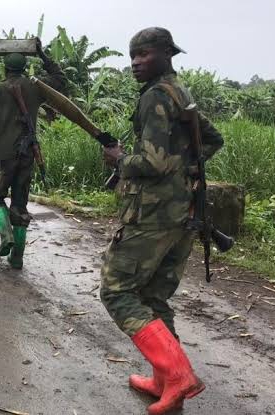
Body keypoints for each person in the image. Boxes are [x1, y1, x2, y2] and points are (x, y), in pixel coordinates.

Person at [99, 27, 224, 415]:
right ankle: (163, 381)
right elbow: (212, 140)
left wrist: (119, 160)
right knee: (152, 296)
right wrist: (183, 173)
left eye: (145, 54)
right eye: (132, 54)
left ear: (166, 54)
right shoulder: (179, 92)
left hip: (151, 216)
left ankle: (178, 374)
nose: (135, 61)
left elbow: (151, 162)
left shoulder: (156, 96)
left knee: (117, 292)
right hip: (182, 213)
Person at [0, 39, 64, 269]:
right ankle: (17, 257)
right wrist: (44, 56)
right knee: (19, 205)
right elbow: (60, 80)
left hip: (2, 155)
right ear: (25, 68)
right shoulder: (36, 88)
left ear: (5, 69)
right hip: (28, 154)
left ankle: (5, 234)